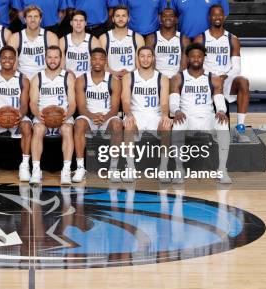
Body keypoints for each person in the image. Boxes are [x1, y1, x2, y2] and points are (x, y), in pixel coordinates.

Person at [169, 43, 231, 184]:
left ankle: (222, 169)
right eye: (193, 56)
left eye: (199, 56)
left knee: (223, 125)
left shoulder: (213, 78)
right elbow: (173, 101)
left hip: (207, 118)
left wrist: (221, 111)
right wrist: (177, 111)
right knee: (177, 126)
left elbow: (219, 99)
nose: (196, 59)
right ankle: (179, 169)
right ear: (187, 58)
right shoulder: (178, 78)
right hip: (187, 117)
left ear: (204, 58)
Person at [193, 4, 250, 141]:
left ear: (224, 17)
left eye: (220, 15)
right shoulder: (201, 38)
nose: (217, 17)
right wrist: (212, 77)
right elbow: (196, 64)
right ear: (209, 17)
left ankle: (240, 126)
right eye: (214, 14)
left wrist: (224, 77)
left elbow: (236, 67)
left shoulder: (232, 39)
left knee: (243, 81)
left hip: (227, 78)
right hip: (207, 79)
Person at [121, 46, 172, 179]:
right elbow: (125, 101)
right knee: (129, 125)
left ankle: (163, 168)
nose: (145, 59)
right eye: (142, 56)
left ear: (153, 58)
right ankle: (130, 167)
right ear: (138, 58)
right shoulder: (129, 77)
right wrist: (129, 114)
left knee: (166, 126)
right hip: (136, 114)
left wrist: (165, 115)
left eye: (149, 56)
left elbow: (165, 102)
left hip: (154, 115)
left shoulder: (162, 78)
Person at [73, 48, 123, 183]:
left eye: (101, 59)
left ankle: (113, 168)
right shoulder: (81, 79)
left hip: (107, 118)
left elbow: (115, 108)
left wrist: (104, 118)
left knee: (118, 123)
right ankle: (80, 167)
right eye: (94, 58)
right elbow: (81, 107)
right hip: (88, 117)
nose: (97, 61)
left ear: (105, 61)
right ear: (90, 60)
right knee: (78, 124)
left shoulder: (113, 80)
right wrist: (92, 116)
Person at [0, 46, 33, 182]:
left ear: (15, 60)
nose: (7, 60)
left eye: (11, 58)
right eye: (4, 58)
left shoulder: (23, 79)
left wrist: (19, 115)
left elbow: (24, 104)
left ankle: (24, 166)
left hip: (17, 116)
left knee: (27, 127)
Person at [29, 46, 76, 185]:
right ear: (45, 58)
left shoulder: (68, 77)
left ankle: (66, 170)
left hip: (63, 116)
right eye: (50, 57)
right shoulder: (38, 77)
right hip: (43, 116)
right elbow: (32, 102)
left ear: (61, 59)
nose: (53, 60)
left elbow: (73, 103)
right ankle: (36, 170)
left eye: (56, 57)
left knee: (67, 129)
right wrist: (39, 114)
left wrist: (66, 116)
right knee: (38, 130)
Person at [7, 5, 59, 80]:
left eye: (36, 17)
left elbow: (55, 63)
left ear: (40, 19)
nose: (33, 20)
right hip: (22, 77)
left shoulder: (50, 37)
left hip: (44, 77)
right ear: (24, 19)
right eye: (29, 17)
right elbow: (12, 65)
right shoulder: (15, 38)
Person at [97, 5, 145, 79]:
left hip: (133, 78)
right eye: (117, 16)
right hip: (110, 78)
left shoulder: (138, 38)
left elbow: (141, 66)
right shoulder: (104, 38)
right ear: (113, 19)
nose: (120, 19)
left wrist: (129, 74)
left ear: (128, 19)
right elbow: (102, 65)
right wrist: (114, 73)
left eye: (124, 16)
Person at [146, 8, 185, 78]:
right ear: (160, 19)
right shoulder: (152, 38)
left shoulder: (183, 38)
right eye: (164, 16)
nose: (168, 18)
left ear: (176, 20)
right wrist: (160, 78)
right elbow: (149, 63)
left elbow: (184, 65)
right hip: (157, 77)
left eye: (171, 16)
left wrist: (176, 78)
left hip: (177, 77)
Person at [60, 10, 100, 77]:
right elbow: (61, 66)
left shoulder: (93, 41)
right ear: (71, 23)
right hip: (68, 78)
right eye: (75, 20)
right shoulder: (63, 41)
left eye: (81, 21)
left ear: (85, 23)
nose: (78, 23)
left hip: (88, 79)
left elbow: (98, 65)